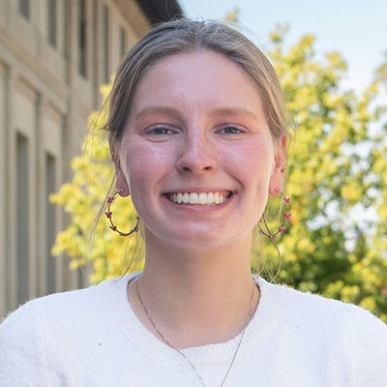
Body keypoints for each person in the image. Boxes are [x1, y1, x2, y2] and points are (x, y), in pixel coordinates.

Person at [1, 19, 386, 387]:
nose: (196, 157)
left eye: (231, 128)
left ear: (278, 161)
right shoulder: (40, 347)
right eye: (162, 129)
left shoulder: (355, 352)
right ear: (118, 161)